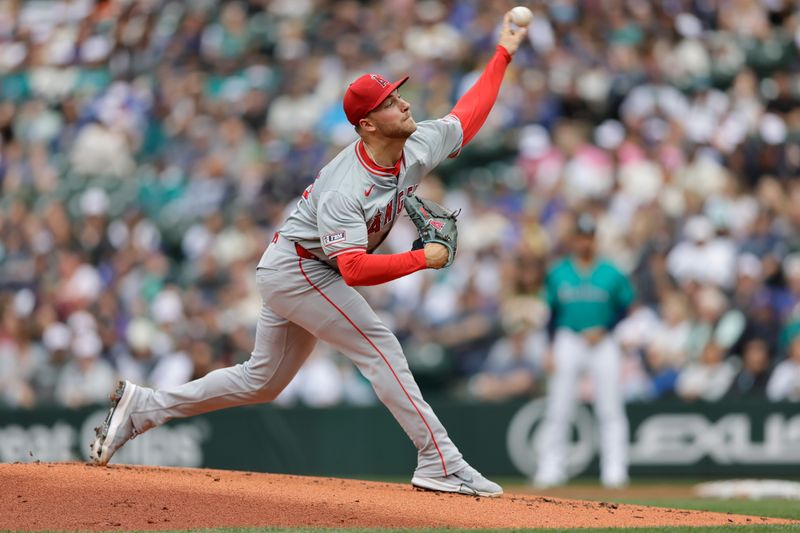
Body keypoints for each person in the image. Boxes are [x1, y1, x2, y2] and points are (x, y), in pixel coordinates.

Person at [89, 12, 528, 498]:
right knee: (381, 347)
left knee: (263, 381)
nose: (403, 103)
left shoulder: (418, 142)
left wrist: (502, 53)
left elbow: (468, 114)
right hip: (300, 267)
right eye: (389, 101)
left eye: (397, 93)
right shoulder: (348, 187)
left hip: (296, 264)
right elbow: (354, 269)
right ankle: (440, 460)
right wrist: (422, 260)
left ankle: (146, 406)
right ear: (367, 124)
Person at [534, 213, 635, 489]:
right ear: (573, 240)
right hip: (569, 338)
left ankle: (615, 469)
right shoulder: (558, 272)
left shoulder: (611, 272)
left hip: (603, 340)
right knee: (559, 405)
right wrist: (549, 347)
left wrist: (605, 328)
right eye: (580, 237)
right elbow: (551, 314)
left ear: (595, 240)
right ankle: (550, 467)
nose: (584, 242)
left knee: (610, 406)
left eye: (588, 237)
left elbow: (624, 307)